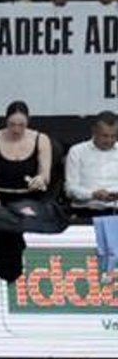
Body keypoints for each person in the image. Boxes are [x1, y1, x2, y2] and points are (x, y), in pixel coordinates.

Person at [0, 102, 55, 281]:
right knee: (2, 232)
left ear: (28, 122)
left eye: (21, 125)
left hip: (28, 198)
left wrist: (40, 179)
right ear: (6, 122)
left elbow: (45, 175)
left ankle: (25, 267)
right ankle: (4, 270)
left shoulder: (41, 139)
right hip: (0, 198)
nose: (17, 129)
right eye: (12, 125)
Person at [65, 111, 118, 280]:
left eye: (114, 136)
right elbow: (70, 189)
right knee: (86, 266)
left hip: (115, 212)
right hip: (85, 214)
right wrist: (93, 194)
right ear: (94, 131)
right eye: (105, 136)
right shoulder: (77, 151)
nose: (109, 140)